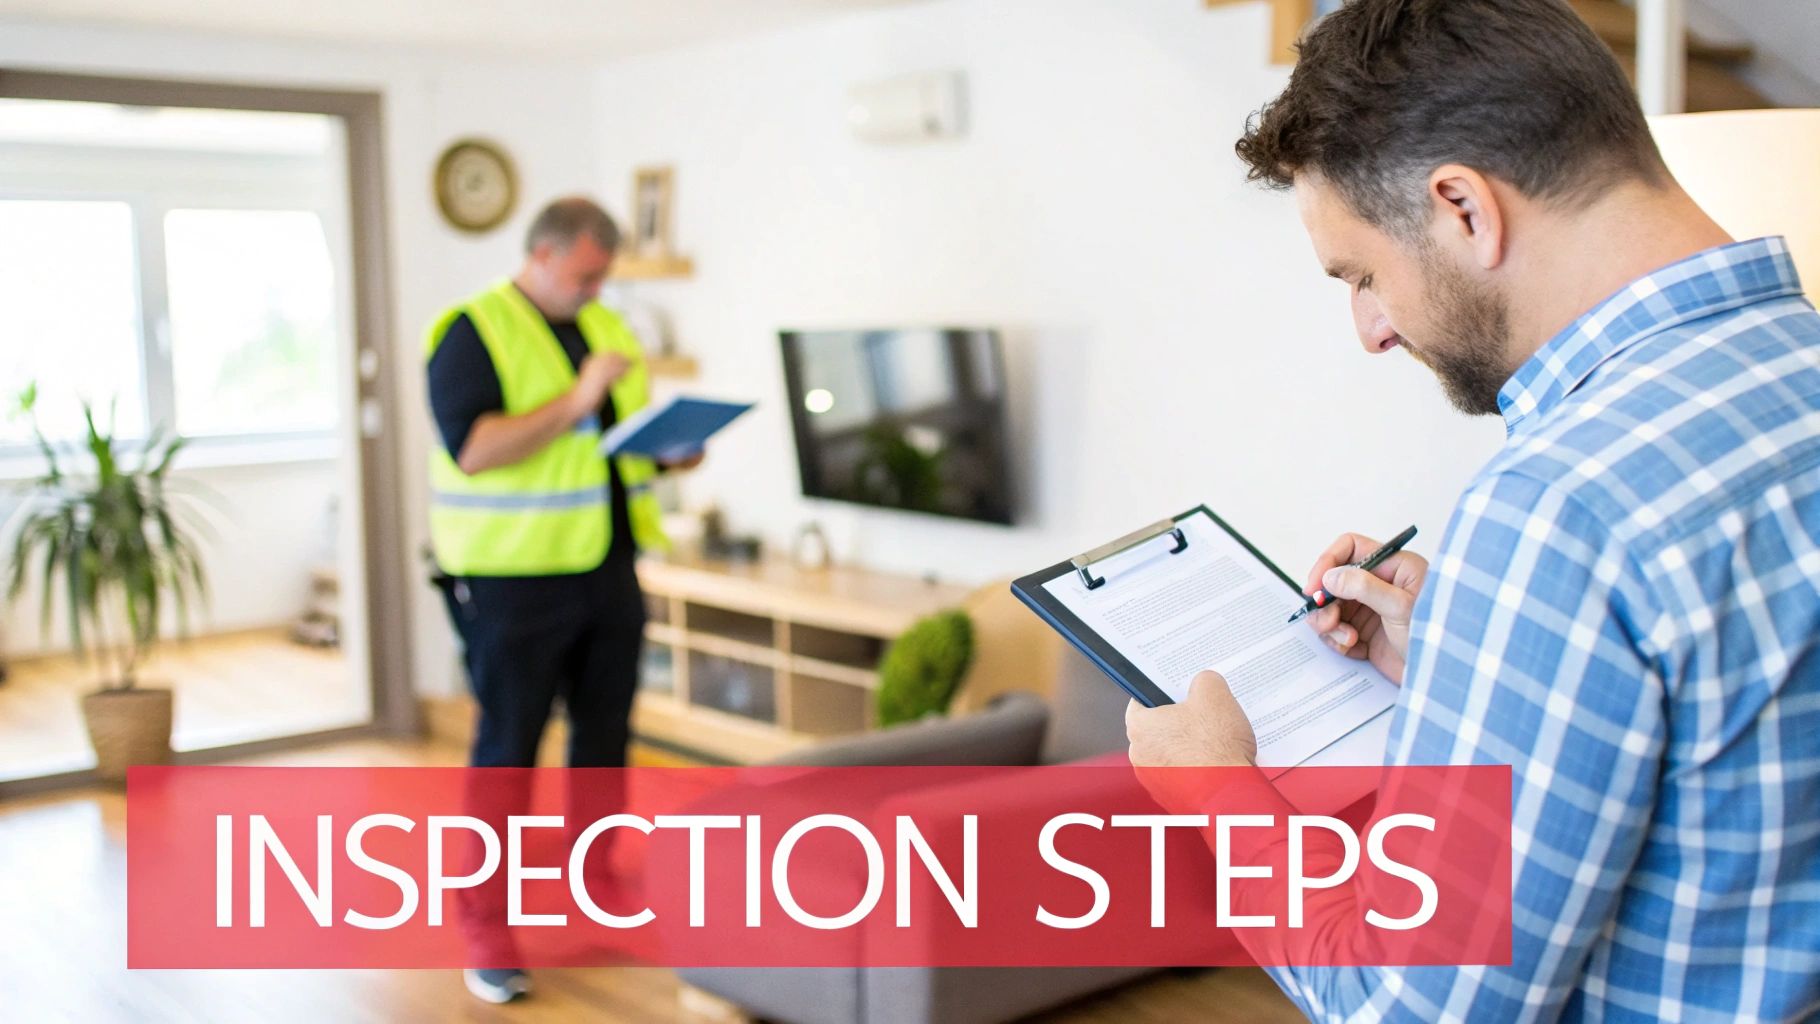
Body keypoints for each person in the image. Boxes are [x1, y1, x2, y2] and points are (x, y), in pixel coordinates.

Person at [1124, 0, 1819, 1020]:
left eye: (1362, 274)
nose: (1370, 329)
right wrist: (1471, 660)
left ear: (1462, 208)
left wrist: (1213, 793)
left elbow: (1408, 1008)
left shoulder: (1557, 509)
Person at [423, 196, 701, 1004]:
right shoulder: (472, 331)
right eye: (584, 275)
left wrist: (672, 450)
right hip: (514, 583)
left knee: (603, 740)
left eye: (604, 275)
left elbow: (611, 446)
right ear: (540, 255)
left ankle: (598, 883)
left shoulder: (607, 329)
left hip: (607, 568)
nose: (595, 289)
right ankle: (485, 924)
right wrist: (578, 399)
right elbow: (475, 450)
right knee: (507, 752)